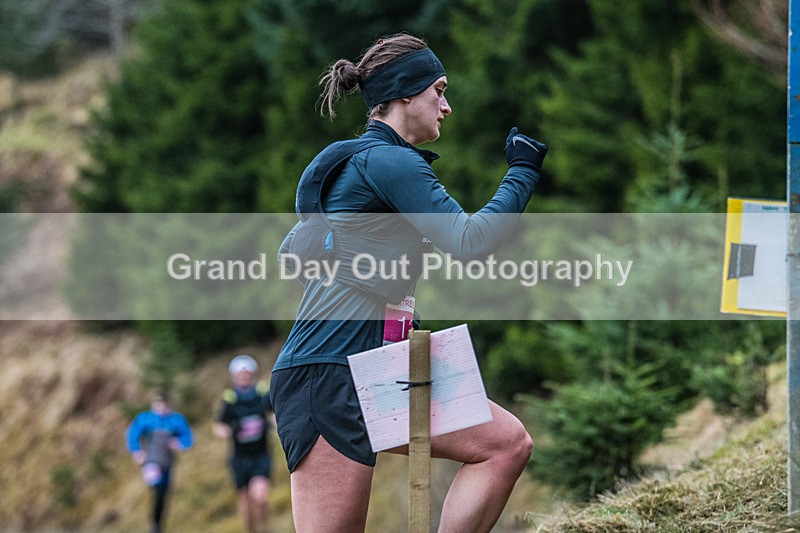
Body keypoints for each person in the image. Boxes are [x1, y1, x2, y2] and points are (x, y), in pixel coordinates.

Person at [271, 33, 547, 533]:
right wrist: (522, 171)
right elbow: (469, 242)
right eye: (438, 91)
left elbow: (293, 253)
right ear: (403, 95)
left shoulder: (369, 163)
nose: (446, 106)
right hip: (329, 370)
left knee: (504, 446)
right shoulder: (385, 161)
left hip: (387, 364)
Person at [213, 354, 274, 533]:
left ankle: (265, 528)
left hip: (261, 454)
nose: (244, 377)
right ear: (235, 376)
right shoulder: (230, 400)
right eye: (241, 374)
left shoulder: (263, 395)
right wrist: (228, 431)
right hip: (240, 458)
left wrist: (273, 423)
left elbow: (275, 414)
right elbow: (218, 425)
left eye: (247, 373)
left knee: (260, 497)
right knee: (246, 504)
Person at [125, 390, 193, 533]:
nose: (161, 408)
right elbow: (132, 434)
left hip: (167, 462)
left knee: (163, 494)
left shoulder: (176, 420)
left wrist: (178, 444)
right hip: (150, 461)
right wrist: (136, 451)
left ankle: (157, 524)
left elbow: (188, 439)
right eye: (158, 404)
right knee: (156, 486)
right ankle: (155, 525)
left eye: (164, 405)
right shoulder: (145, 419)